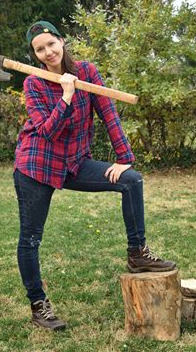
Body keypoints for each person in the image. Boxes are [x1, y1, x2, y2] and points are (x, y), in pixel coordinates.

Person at [13, 21, 176, 331]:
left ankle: (137, 254)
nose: (48, 52)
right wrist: (66, 95)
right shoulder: (34, 84)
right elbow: (47, 132)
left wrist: (124, 157)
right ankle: (39, 306)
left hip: (74, 162)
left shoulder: (87, 71)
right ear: (34, 55)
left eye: (51, 43)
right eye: (40, 49)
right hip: (37, 166)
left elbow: (108, 112)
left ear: (62, 41)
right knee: (31, 238)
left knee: (132, 181)